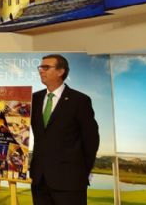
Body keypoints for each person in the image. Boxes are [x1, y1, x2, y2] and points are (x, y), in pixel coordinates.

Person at [30, 54, 100, 205]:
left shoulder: (79, 100)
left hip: (70, 182)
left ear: (61, 71)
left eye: (46, 67)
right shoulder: (33, 99)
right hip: (39, 180)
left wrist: (81, 172)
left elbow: (91, 139)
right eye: (40, 67)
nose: (41, 70)